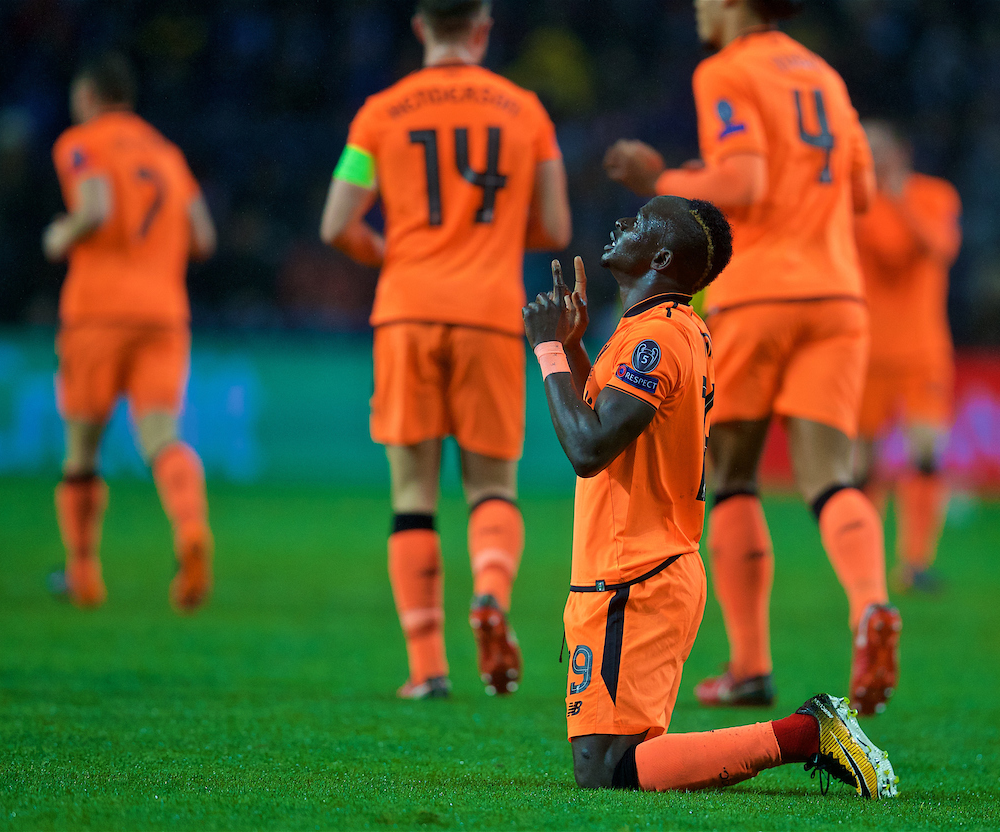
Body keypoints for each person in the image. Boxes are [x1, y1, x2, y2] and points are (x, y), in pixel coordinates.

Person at [522, 194, 896, 797]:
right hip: (640, 567)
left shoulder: (657, 341)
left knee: (606, 769)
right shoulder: (666, 329)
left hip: (635, 572)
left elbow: (588, 450)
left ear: (663, 256)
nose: (623, 224)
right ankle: (804, 731)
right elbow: (608, 426)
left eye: (641, 223)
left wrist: (543, 350)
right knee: (615, 762)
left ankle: (806, 732)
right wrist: (570, 347)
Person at [602, 0, 901, 715]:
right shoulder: (824, 76)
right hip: (837, 295)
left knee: (730, 474)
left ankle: (750, 665)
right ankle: (871, 604)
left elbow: (745, 185)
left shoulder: (729, 70)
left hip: (760, 294)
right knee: (828, 476)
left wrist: (664, 177)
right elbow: (859, 191)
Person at [320, 0, 571, 699]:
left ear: (421, 26)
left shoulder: (380, 113)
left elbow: (336, 222)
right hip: (490, 315)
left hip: (407, 311)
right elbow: (553, 224)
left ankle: (427, 667)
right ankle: (490, 594)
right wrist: (482, 242)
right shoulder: (526, 113)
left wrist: (393, 252)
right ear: (484, 29)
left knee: (412, 497)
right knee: (493, 488)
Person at [43, 54, 217, 613]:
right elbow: (204, 238)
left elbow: (96, 208)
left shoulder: (82, 142)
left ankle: (83, 572)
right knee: (162, 437)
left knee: (82, 449)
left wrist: (60, 235)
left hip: (97, 313)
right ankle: (190, 529)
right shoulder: (165, 153)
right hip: (163, 313)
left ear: (89, 95)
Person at [853, 121, 962, 592]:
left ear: (902, 151)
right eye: (866, 149)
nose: (873, 158)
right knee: (862, 467)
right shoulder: (852, 204)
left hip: (923, 352)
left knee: (926, 454)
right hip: (867, 351)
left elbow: (940, 247)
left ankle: (916, 562)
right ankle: (864, 562)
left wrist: (899, 200)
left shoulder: (935, 195)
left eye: (879, 148)